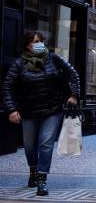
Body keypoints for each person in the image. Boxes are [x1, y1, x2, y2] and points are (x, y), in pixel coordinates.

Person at [2, 31, 80, 196]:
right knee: (29, 146)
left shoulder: (53, 59)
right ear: (26, 46)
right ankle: (33, 170)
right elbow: (7, 86)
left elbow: (72, 73)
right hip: (28, 111)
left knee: (45, 143)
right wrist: (12, 109)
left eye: (40, 41)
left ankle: (42, 179)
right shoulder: (19, 64)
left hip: (52, 109)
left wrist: (73, 95)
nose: (37, 45)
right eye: (33, 43)